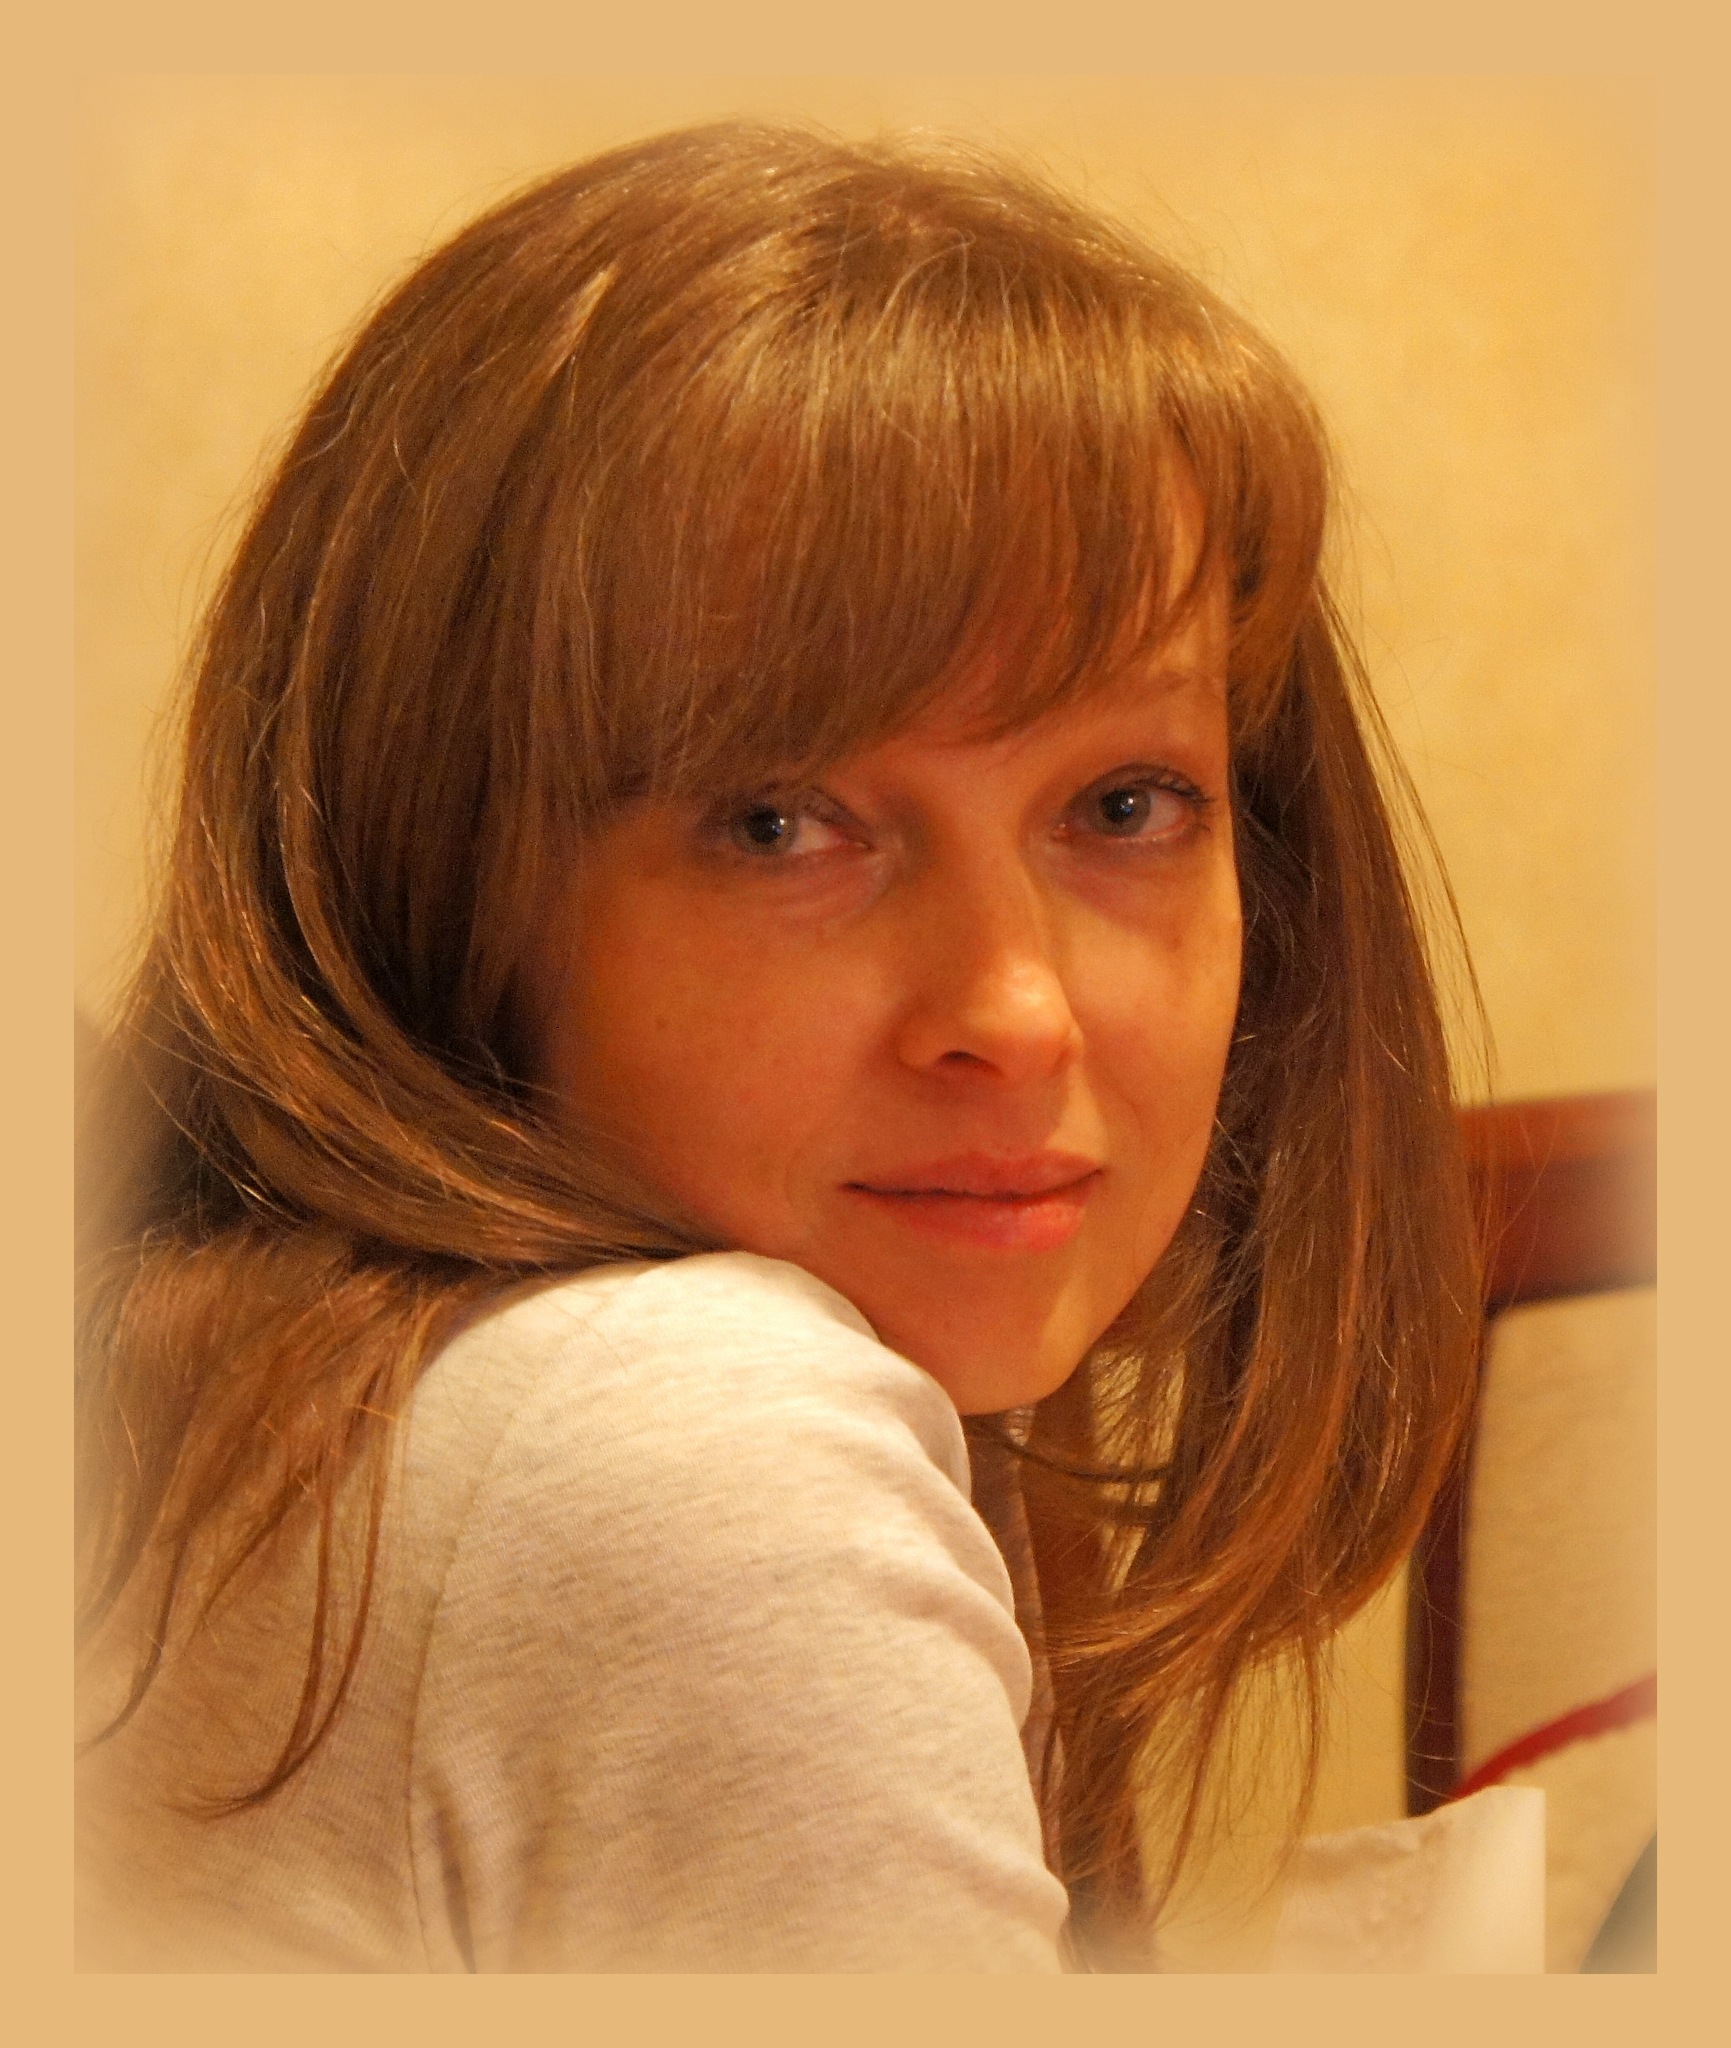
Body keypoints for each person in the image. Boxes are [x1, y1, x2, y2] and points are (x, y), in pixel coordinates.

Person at [74, 120, 1483, 1972]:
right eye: (778, 824)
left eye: (1126, 805)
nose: (1015, 1012)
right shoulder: (692, 1444)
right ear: (429, 866)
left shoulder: (282, 1382)